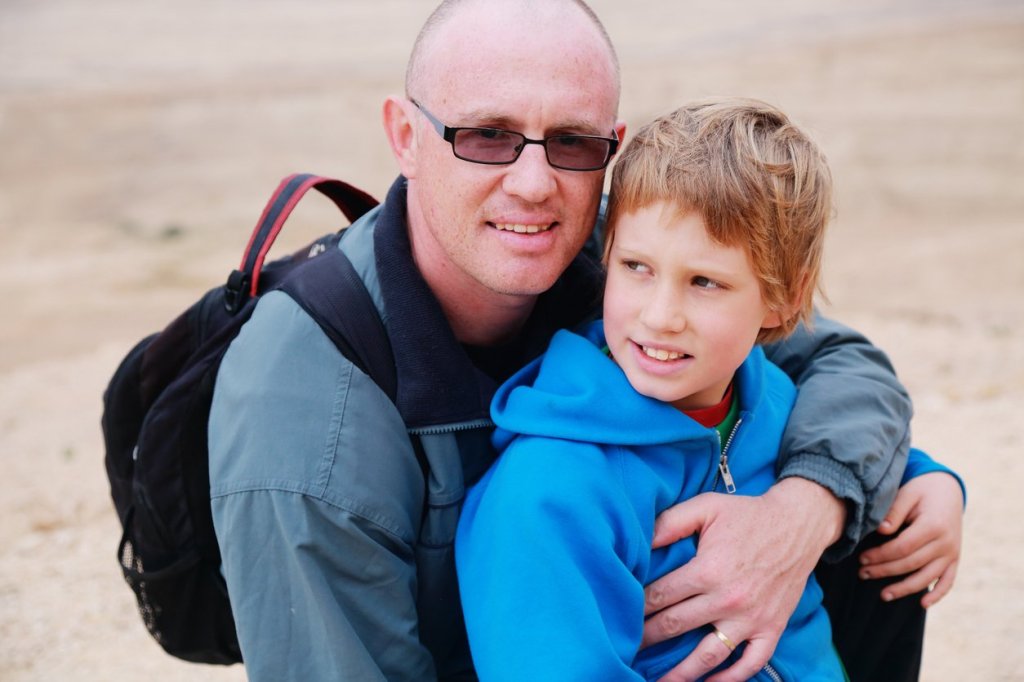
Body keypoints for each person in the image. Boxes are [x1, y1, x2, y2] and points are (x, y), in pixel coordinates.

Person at [206, 1, 961, 680]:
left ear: (610, 149)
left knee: (882, 515)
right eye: (488, 135)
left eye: (571, 139)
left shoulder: (620, 255)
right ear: (407, 137)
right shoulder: (306, 416)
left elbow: (835, 363)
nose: (534, 183)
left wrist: (813, 507)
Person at [454, 98, 966, 681]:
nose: (660, 315)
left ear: (784, 298)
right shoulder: (550, 490)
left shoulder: (768, 394)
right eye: (636, 267)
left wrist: (931, 482)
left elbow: (851, 445)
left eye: (705, 281)